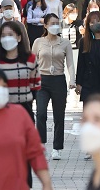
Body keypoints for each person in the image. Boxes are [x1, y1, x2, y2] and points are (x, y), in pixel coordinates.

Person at [32, 14, 75, 160]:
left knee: (59, 115)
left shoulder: (65, 43)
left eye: (57, 23)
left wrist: (72, 80)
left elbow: (70, 62)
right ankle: (41, 144)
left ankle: (57, 148)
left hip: (58, 80)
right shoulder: (38, 42)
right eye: (52, 23)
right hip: (42, 81)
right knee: (41, 113)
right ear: (45, 25)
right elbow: (32, 62)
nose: (55, 26)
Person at [0, 22, 40, 121]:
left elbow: (35, 85)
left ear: (19, 38)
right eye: (3, 36)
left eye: (10, 35)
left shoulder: (31, 59)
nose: (7, 38)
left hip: (25, 111)